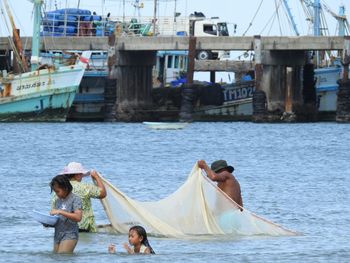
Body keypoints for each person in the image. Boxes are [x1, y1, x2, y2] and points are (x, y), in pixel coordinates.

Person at [52, 162, 107, 232]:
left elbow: (53, 211)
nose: (82, 176)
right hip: (83, 228)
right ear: (77, 175)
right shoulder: (85, 187)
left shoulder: (58, 190)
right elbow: (103, 193)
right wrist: (97, 177)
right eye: (81, 174)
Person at [50, 174, 82, 254]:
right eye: (55, 191)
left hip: (70, 234)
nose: (56, 194)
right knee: (56, 258)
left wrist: (60, 211)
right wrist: (47, 223)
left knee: (62, 257)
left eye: (58, 191)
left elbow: (78, 217)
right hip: (57, 234)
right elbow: (58, 220)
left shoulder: (75, 199)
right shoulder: (58, 201)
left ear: (65, 188)